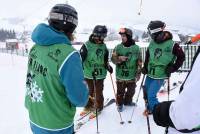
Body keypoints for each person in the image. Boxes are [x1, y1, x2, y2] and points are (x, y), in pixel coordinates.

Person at [25, 4, 89, 134]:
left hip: (35, 116)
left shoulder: (36, 46)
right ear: (71, 27)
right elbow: (79, 99)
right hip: (57, 124)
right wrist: (85, 88)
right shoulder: (69, 55)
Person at [153, 35, 200, 134]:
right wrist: (191, 40)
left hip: (188, 123)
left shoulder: (171, 44)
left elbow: (189, 113)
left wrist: (165, 112)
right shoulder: (152, 44)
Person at [141, 20, 185, 115]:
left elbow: (181, 57)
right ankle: (150, 109)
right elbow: (148, 55)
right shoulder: (152, 42)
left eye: (150, 32)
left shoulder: (172, 44)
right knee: (146, 93)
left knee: (151, 96)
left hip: (160, 74)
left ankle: (159, 114)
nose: (149, 34)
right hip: (150, 73)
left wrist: (173, 68)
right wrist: (145, 67)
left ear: (155, 31)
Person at [79, 25, 113, 117]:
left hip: (100, 74)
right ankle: (89, 106)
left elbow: (105, 60)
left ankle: (99, 107)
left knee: (98, 91)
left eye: (104, 37)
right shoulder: (86, 46)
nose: (103, 39)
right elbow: (80, 59)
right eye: (102, 37)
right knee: (89, 91)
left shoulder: (103, 46)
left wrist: (108, 66)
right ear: (96, 35)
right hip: (88, 73)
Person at [111, 28, 142, 112]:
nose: (122, 37)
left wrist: (138, 74)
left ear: (129, 36)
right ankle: (120, 104)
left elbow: (139, 62)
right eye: (121, 36)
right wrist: (119, 58)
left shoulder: (136, 48)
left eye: (124, 36)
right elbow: (113, 60)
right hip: (120, 76)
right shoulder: (118, 47)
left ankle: (128, 102)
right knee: (120, 92)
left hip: (131, 76)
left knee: (131, 92)